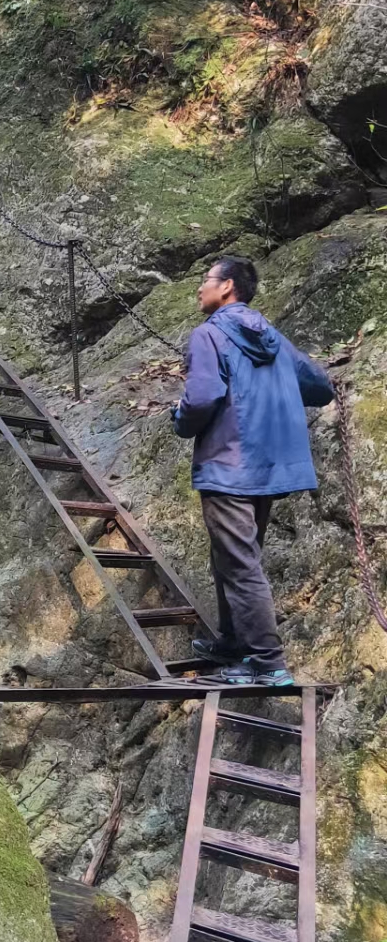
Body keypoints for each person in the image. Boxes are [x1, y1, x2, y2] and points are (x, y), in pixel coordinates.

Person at [172, 254, 334, 686]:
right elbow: (320, 386)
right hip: (265, 469)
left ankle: (266, 663)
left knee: (240, 564)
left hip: (228, 464)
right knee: (231, 557)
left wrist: (180, 420)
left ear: (227, 287)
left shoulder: (207, 335)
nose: (199, 288)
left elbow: (203, 396)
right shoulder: (272, 337)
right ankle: (232, 642)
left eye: (205, 280)